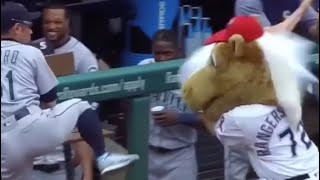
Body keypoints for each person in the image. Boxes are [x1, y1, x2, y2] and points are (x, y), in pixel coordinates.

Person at [0, 2, 139, 180]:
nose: (32, 31)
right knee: (79, 106)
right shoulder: (30, 52)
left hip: (4, 143)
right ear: (17, 28)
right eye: (28, 27)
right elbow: (51, 99)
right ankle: (103, 157)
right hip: (29, 128)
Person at [31, 4, 100, 180]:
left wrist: (82, 147)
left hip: (67, 148)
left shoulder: (82, 55)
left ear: (68, 22)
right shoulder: (33, 50)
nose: (51, 27)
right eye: (47, 22)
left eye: (57, 22)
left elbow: (91, 103)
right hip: (35, 143)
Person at [138, 29, 200, 180]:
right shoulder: (144, 68)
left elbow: (211, 121)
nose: (162, 58)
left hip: (180, 156)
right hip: (148, 154)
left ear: (179, 52)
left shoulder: (193, 75)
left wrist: (180, 118)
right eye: (158, 53)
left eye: (167, 53)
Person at [235, 0, 319, 42]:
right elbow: (268, 39)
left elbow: (314, 30)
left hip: (294, 57)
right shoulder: (248, 2)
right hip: (261, 64)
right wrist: (303, 8)